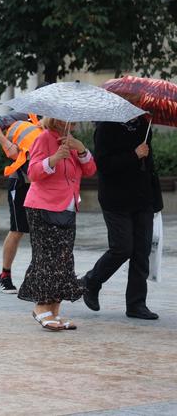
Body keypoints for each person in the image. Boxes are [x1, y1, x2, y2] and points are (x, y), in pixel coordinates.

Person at [81, 111, 163, 320]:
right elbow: (104, 165)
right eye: (134, 101)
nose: (139, 106)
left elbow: (149, 164)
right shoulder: (107, 127)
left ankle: (136, 304)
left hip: (142, 198)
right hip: (115, 199)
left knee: (141, 252)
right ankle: (92, 281)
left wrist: (155, 200)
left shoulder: (144, 124)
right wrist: (134, 154)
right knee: (122, 248)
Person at [18, 118, 97, 331]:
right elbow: (33, 172)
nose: (74, 122)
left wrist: (81, 149)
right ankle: (40, 307)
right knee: (47, 258)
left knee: (63, 260)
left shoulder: (72, 142)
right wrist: (53, 159)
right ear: (56, 119)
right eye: (69, 119)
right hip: (43, 206)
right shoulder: (44, 138)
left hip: (67, 207)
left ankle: (54, 311)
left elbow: (90, 170)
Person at [0, 111, 41, 293]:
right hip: (20, 181)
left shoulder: (59, 123)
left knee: (42, 230)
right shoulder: (22, 116)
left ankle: (39, 276)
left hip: (42, 183)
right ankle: (5, 275)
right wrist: (7, 144)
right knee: (17, 229)